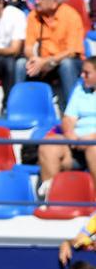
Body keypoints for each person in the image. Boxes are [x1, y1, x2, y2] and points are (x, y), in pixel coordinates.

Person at [38, 57, 96, 191]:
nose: (82, 76)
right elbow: (68, 118)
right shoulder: (80, 88)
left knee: (94, 149)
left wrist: (92, 138)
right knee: (49, 144)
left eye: (87, 73)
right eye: (82, 72)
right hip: (76, 144)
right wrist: (70, 135)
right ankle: (51, 196)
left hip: (92, 143)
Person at [23, 0, 85, 103]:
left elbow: (72, 51)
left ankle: (72, 107)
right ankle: (20, 105)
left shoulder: (71, 16)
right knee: (21, 64)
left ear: (54, 3)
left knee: (67, 64)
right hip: (42, 61)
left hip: (66, 61)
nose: (36, 2)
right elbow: (28, 46)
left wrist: (46, 61)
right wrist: (33, 59)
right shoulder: (33, 16)